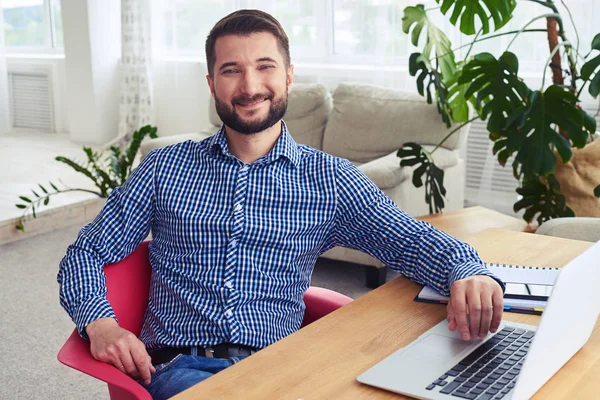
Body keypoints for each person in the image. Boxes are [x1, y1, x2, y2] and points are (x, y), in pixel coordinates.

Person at [57, 9, 505, 400]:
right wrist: (102, 325)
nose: (250, 86)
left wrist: (467, 270)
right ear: (212, 84)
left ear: (288, 75)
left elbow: (410, 241)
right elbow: (86, 253)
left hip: (287, 369)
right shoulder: (164, 168)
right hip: (183, 371)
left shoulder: (330, 181)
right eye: (231, 70)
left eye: (264, 66)